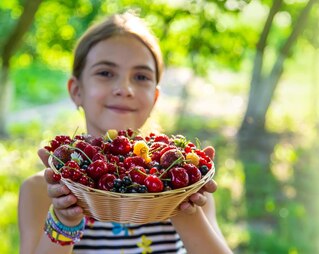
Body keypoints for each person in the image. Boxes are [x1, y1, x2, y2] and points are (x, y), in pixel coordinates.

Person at [18, 12, 232, 254]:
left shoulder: (185, 186)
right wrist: (65, 218)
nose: (124, 88)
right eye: (106, 73)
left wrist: (180, 206)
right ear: (77, 90)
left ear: (154, 98)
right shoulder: (44, 190)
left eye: (141, 77)